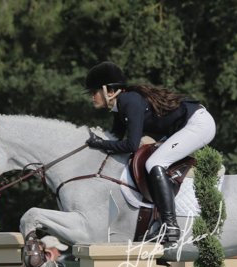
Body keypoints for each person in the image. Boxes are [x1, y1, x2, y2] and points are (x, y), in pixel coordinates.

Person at [84, 61, 217, 244]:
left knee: (154, 162)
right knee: (153, 160)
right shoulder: (120, 108)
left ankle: (170, 225)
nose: (92, 96)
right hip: (184, 126)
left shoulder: (129, 101)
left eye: (95, 91)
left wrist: (101, 143)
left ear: (110, 90)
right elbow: (114, 139)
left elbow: (131, 145)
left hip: (198, 124)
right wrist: (94, 142)